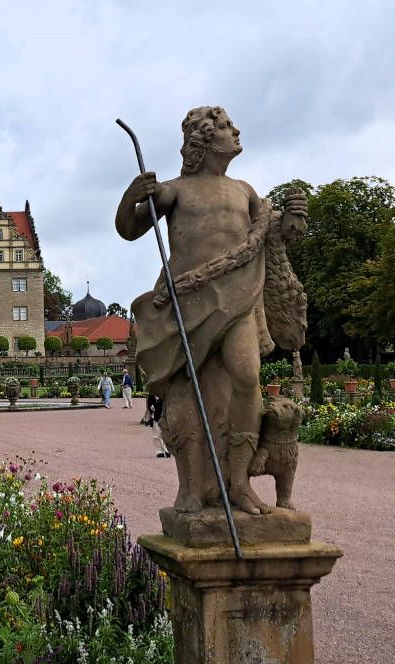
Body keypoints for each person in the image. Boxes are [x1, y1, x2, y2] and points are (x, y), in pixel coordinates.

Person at [116, 106, 307, 513]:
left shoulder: (245, 191)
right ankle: (191, 485)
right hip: (189, 303)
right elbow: (130, 230)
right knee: (185, 391)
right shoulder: (175, 190)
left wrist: (294, 220)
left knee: (247, 376)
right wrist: (131, 196)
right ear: (204, 140)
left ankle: (237, 481)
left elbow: (276, 237)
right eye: (225, 127)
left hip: (238, 300)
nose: (235, 131)